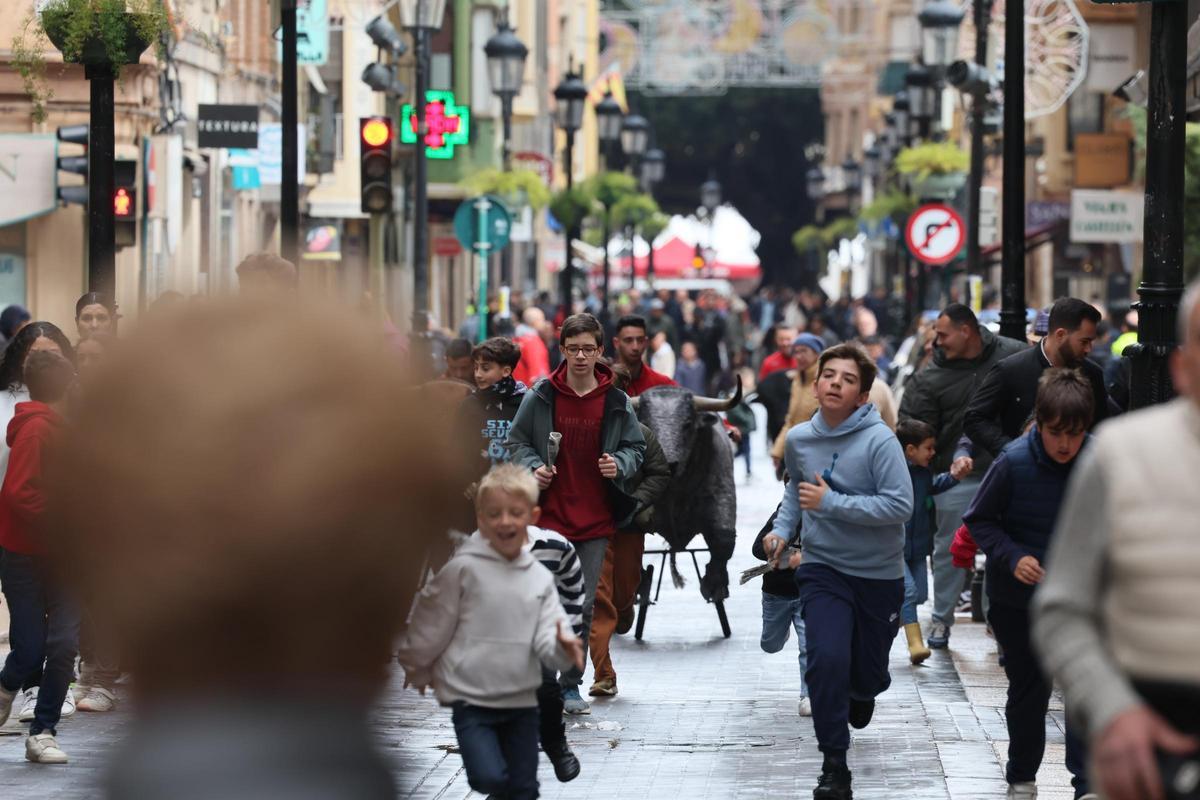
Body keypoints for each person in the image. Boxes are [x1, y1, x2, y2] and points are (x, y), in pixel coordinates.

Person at [1032, 279, 1200, 800]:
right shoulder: (1119, 456)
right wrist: (1113, 710)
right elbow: (1063, 609)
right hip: (1148, 734)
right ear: (1183, 367)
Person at [763, 343, 914, 800]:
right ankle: (834, 765)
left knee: (865, 674)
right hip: (822, 567)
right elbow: (795, 493)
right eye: (830, 375)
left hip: (877, 575)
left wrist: (832, 503)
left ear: (862, 396)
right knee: (825, 661)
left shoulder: (880, 441)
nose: (835, 384)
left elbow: (900, 505)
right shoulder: (800, 439)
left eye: (848, 380)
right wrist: (782, 532)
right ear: (816, 383)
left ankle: (864, 689)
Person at [397, 466, 584, 800]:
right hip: (476, 681)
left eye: (515, 513)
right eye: (493, 514)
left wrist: (566, 634)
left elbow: (570, 592)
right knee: (490, 778)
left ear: (533, 514)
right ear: (480, 519)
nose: (505, 522)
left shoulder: (556, 550)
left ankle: (556, 745)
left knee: (546, 697)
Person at [964, 368, 1096, 800]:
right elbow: (979, 520)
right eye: (1056, 432)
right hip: (1018, 601)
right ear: (1038, 421)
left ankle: (1086, 785)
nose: (1065, 443)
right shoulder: (1012, 463)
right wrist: (1013, 555)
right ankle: (1022, 775)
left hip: (1080, 600)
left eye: (1075, 434)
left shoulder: (1099, 463)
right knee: (1029, 689)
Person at [505, 313, 645, 716]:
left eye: (588, 349)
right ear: (561, 350)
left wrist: (619, 463)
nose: (581, 356)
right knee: (546, 600)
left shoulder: (615, 401)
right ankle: (544, 681)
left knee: (581, 605)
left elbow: (637, 449)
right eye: (573, 349)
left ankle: (570, 684)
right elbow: (516, 441)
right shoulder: (543, 394)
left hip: (595, 518)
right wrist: (533, 466)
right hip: (548, 516)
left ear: (600, 352)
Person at [899, 303, 1025, 650]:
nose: (937, 342)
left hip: (1008, 469)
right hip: (955, 478)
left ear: (965, 330)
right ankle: (941, 620)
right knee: (949, 550)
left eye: (942, 334)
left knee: (1005, 548)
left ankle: (998, 624)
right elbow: (912, 432)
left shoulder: (1011, 355)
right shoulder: (929, 378)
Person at [0, 351, 80, 763]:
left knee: (64, 644)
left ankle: (43, 731)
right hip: (27, 558)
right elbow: (18, 493)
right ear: (68, 387)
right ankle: (6, 688)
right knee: (30, 650)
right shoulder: (36, 431)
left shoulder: (62, 430)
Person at [587, 365, 671, 699]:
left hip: (627, 525)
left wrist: (636, 502)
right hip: (592, 525)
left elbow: (659, 473)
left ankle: (626, 610)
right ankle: (603, 673)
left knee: (622, 594)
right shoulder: (579, 427)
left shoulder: (641, 433)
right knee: (598, 598)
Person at [965, 297, 1108, 459]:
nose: (1089, 349)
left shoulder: (1093, 374)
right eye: (1084, 341)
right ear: (1060, 334)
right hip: (1022, 474)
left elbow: (1100, 427)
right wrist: (1009, 449)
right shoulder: (1011, 369)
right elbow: (974, 418)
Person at [894, 419, 972, 665]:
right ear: (910, 450)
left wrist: (953, 477)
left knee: (919, 594)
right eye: (928, 448)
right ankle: (916, 644)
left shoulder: (924, 473)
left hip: (919, 547)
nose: (933, 452)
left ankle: (895, 613)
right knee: (908, 592)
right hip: (896, 547)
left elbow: (934, 487)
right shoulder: (895, 473)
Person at [752, 507, 809, 716]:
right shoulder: (781, 517)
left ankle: (808, 695)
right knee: (770, 644)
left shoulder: (823, 516)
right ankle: (782, 630)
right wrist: (775, 549)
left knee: (808, 645)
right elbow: (757, 548)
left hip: (807, 594)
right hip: (777, 592)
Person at [771, 332, 824, 472]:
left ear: (816, 353)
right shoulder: (797, 381)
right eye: (796, 352)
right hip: (797, 452)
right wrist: (778, 450)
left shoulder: (826, 379)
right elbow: (791, 420)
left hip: (820, 453)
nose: (799, 356)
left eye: (804, 351)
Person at [612, 315, 675, 396]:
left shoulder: (662, 384)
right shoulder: (604, 382)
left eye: (640, 340)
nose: (635, 347)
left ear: (646, 342)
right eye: (628, 340)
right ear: (616, 343)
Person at [512, 307, 551, 387]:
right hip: (527, 392)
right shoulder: (533, 342)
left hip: (516, 389)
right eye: (542, 320)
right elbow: (538, 375)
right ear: (535, 322)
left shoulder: (516, 339)